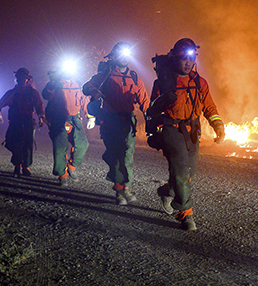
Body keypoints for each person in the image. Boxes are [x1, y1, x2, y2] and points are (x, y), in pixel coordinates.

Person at [149, 38, 225, 231]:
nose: (188, 62)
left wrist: (218, 125)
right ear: (175, 58)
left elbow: (209, 107)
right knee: (181, 170)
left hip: (192, 132)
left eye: (191, 58)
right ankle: (185, 214)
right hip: (171, 130)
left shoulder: (200, 82)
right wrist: (156, 131)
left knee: (189, 172)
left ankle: (167, 191)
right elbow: (152, 110)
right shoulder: (164, 83)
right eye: (183, 58)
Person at [82, 42, 150, 205]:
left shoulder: (134, 77)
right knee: (115, 154)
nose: (124, 58)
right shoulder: (105, 74)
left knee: (127, 154)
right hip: (110, 119)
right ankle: (120, 188)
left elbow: (144, 100)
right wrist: (94, 91)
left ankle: (124, 188)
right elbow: (86, 87)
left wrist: (151, 119)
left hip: (127, 120)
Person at [42, 67, 89, 186]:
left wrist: (90, 116)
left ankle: (72, 166)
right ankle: (62, 175)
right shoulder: (56, 83)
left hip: (75, 118)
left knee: (82, 144)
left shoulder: (78, 83)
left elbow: (84, 100)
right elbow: (46, 95)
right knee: (60, 147)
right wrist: (52, 84)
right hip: (59, 118)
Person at [0, 68, 46, 177]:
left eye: (24, 78)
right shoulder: (12, 93)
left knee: (27, 145)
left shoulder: (32, 92)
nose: (22, 80)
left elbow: (39, 105)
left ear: (27, 79)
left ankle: (25, 167)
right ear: (17, 79)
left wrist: (41, 117)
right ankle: (17, 166)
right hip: (15, 122)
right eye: (20, 78)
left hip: (27, 122)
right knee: (15, 144)